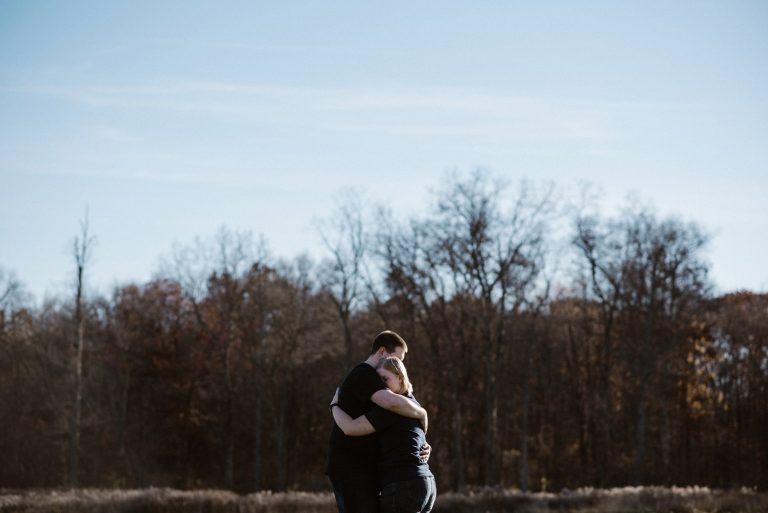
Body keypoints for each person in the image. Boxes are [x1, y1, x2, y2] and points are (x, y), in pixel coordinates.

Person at [326, 331, 430, 513]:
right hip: (351, 466)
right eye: (397, 358)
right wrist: (422, 413)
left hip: (368, 467)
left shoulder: (381, 382)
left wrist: (421, 442)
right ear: (382, 352)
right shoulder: (363, 374)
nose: (399, 365)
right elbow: (390, 402)